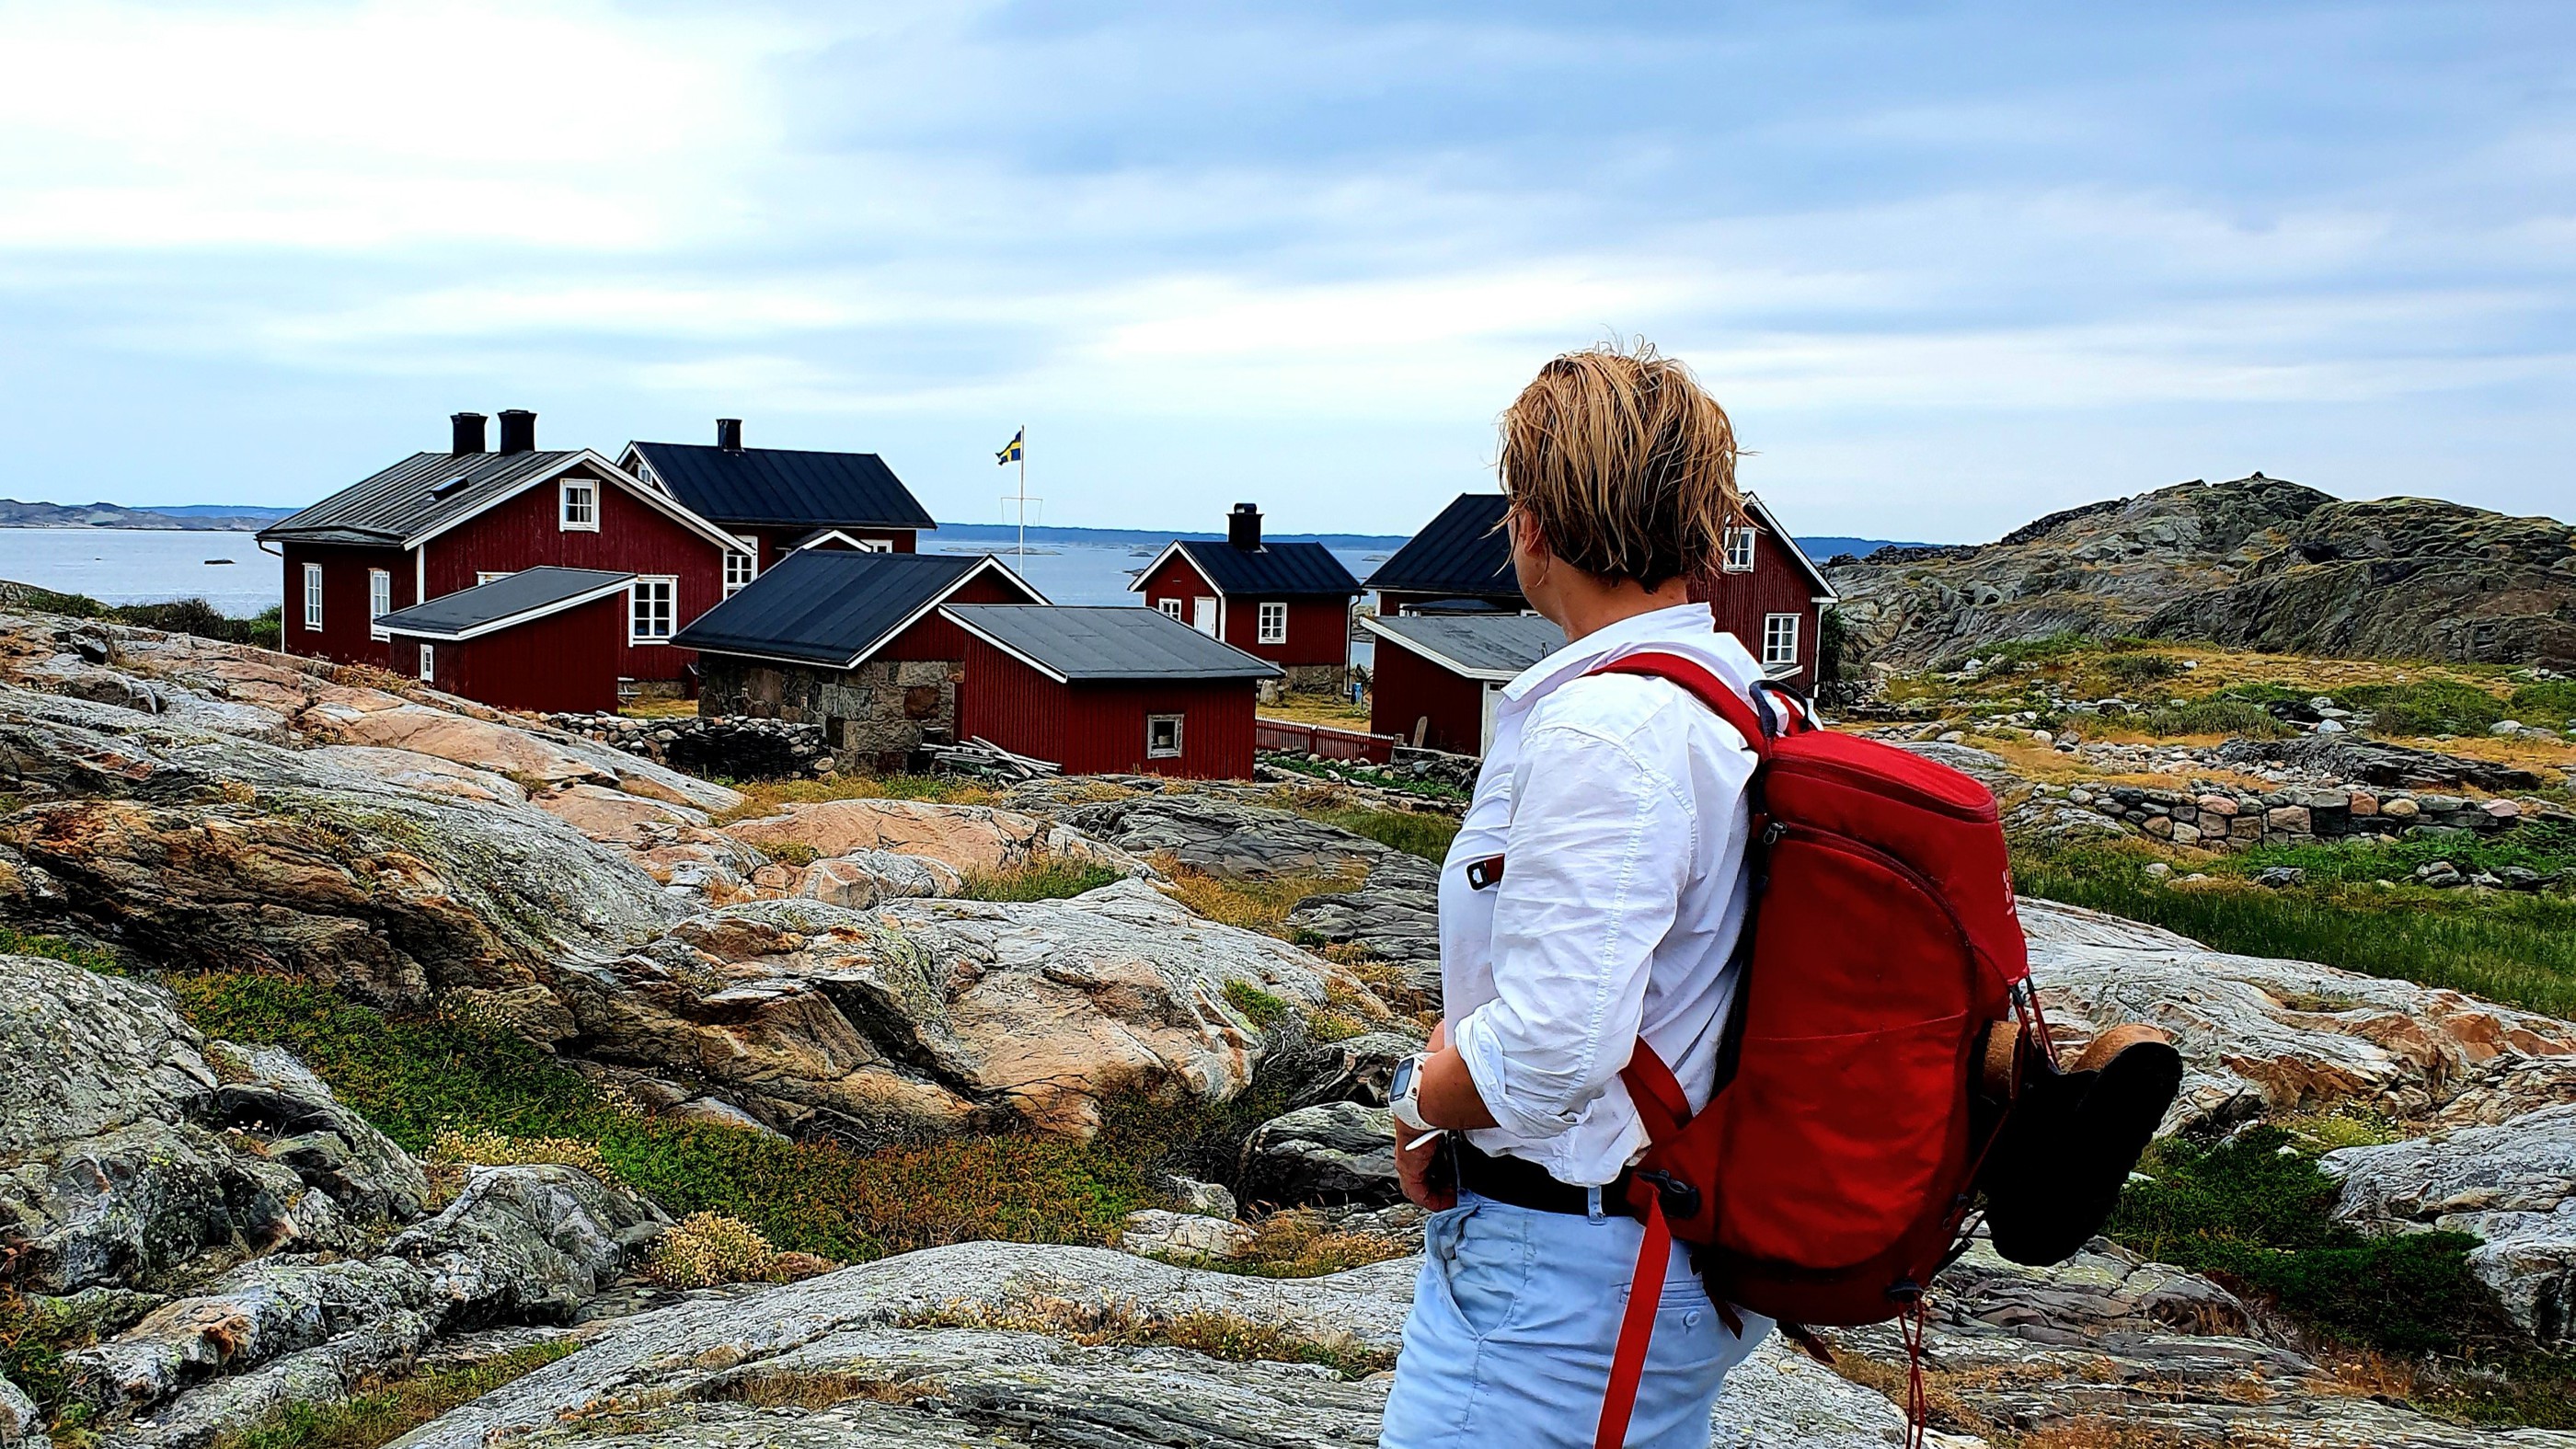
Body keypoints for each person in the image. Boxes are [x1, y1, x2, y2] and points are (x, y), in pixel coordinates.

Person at [1379, 341, 1773, 1449]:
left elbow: (1552, 1051)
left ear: (1532, 525)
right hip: (1612, 1257)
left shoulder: (1611, 729)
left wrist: (1417, 1101)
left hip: (1568, 1283)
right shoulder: (1730, 698)